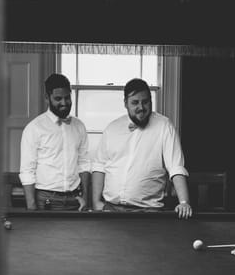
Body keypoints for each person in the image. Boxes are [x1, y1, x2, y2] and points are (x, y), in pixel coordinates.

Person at [91, 78, 192, 219]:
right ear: (125, 103)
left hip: (148, 212)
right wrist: (96, 202)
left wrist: (183, 202)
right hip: (111, 210)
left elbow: (176, 167)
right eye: (135, 103)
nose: (141, 107)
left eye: (145, 102)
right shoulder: (112, 128)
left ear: (151, 101)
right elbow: (99, 166)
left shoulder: (164, 126)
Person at [19, 73, 90, 211]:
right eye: (58, 99)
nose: (64, 103)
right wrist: (31, 206)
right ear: (47, 98)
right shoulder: (34, 128)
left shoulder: (79, 126)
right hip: (46, 201)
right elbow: (27, 170)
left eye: (67, 97)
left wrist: (85, 198)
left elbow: (84, 164)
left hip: (75, 200)